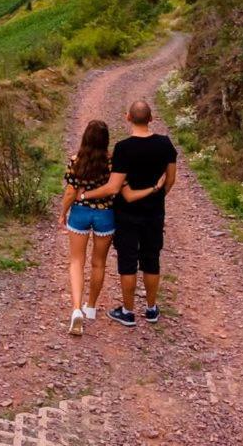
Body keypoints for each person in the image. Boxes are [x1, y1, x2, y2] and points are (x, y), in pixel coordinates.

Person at [58, 120, 165, 336]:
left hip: (79, 213)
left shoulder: (76, 161)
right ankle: (91, 307)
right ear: (106, 140)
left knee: (77, 261)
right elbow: (122, 190)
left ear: (85, 138)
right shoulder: (112, 163)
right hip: (106, 215)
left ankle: (76, 309)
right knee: (98, 264)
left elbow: (71, 192)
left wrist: (63, 213)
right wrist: (155, 187)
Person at [83, 100, 177, 327]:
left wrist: (85, 195)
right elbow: (171, 179)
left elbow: (114, 187)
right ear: (151, 118)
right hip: (154, 213)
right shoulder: (165, 144)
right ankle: (152, 309)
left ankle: (128, 311)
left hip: (126, 215)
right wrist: (156, 196)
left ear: (128, 118)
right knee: (151, 259)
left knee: (128, 261)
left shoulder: (123, 148)